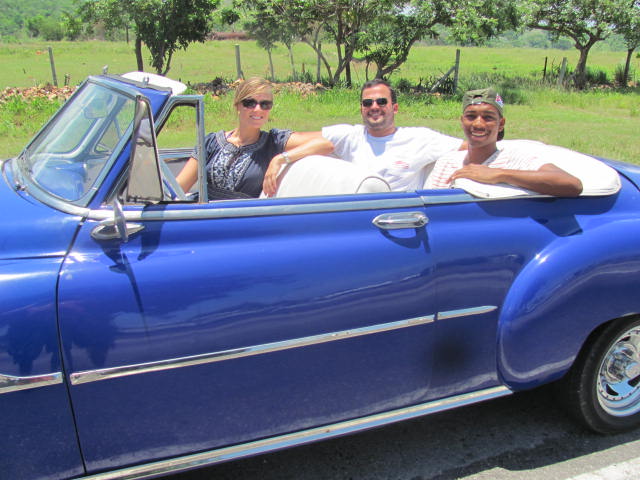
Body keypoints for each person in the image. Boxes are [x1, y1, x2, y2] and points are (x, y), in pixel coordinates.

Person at [177, 77, 333, 199]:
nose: (258, 109)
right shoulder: (211, 142)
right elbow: (179, 188)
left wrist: (279, 159)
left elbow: (326, 143)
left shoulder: (274, 142)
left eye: (265, 104)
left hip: (245, 222)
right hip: (203, 218)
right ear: (237, 105)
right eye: (250, 103)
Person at [425, 88, 583, 197]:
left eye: (488, 117)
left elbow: (572, 185)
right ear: (462, 121)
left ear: (501, 124)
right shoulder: (447, 162)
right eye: (471, 116)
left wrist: (499, 174)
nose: (478, 124)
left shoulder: (515, 160)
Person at [320, 79, 464, 191]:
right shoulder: (349, 136)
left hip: (398, 216)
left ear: (395, 108)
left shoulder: (419, 139)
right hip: (357, 214)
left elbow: (469, 147)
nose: (374, 107)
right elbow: (305, 138)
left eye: (381, 102)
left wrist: (480, 173)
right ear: (361, 109)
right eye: (367, 103)